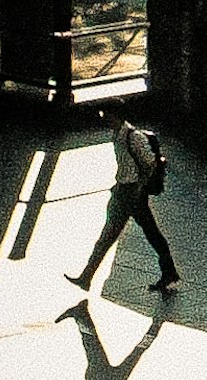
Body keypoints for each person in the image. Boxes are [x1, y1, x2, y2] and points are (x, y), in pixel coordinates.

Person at [76, 110, 179, 302]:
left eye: (106, 115)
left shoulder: (134, 137)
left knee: (115, 235)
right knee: (146, 232)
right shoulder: (118, 135)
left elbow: (150, 163)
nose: (103, 118)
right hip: (124, 190)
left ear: (116, 116)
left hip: (131, 194)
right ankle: (86, 276)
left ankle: (86, 277)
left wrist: (138, 187)